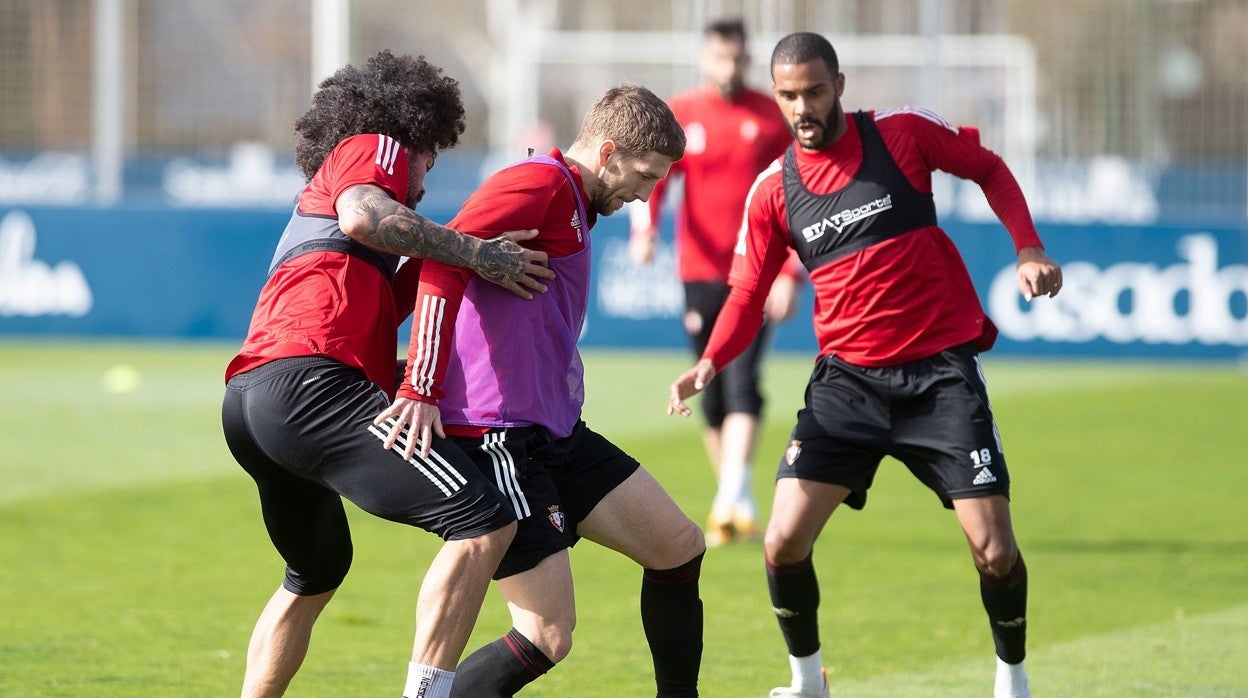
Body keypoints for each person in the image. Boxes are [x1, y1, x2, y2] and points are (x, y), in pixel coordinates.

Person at [668, 32, 1062, 698]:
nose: (801, 107)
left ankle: (1012, 677)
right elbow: (747, 292)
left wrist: (1028, 248)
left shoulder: (902, 136)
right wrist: (710, 361)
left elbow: (988, 168)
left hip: (939, 376)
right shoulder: (774, 190)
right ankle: (806, 683)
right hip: (847, 383)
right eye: (789, 95)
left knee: (995, 548)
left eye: (814, 91)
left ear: (839, 86)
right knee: (783, 541)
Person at [220, 50, 555, 698]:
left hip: (251, 401)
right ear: (415, 132)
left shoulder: (339, 233)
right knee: (484, 521)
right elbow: (367, 216)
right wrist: (477, 251)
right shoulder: (377, 145)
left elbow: (402, 293)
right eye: (433, 155)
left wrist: (465, 255)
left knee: (314, 573)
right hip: (308, 388)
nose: (425, 178)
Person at [376, 83, 706, 698]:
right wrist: (420, 384)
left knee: (679, 547)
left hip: (553, 432)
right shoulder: (541, 183)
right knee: (546, 633)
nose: (646, 196)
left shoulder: (573, 196)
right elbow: (443, 259)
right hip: (498, 433)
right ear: (608, 152)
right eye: (645, 176)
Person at [628, 18, 799, 546]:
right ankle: (733, 499)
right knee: (710, 385)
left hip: (757, 269)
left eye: (737, 59)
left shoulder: (770, 117)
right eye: (720, 58)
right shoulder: (685, 114)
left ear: (746, 61)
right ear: (706, 59)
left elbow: (797, 191)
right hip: (699, 270)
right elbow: (657, 178)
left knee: (744, 376)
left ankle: (731, 495)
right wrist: (646, 228)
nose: (729, 67)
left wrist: (790, 269)